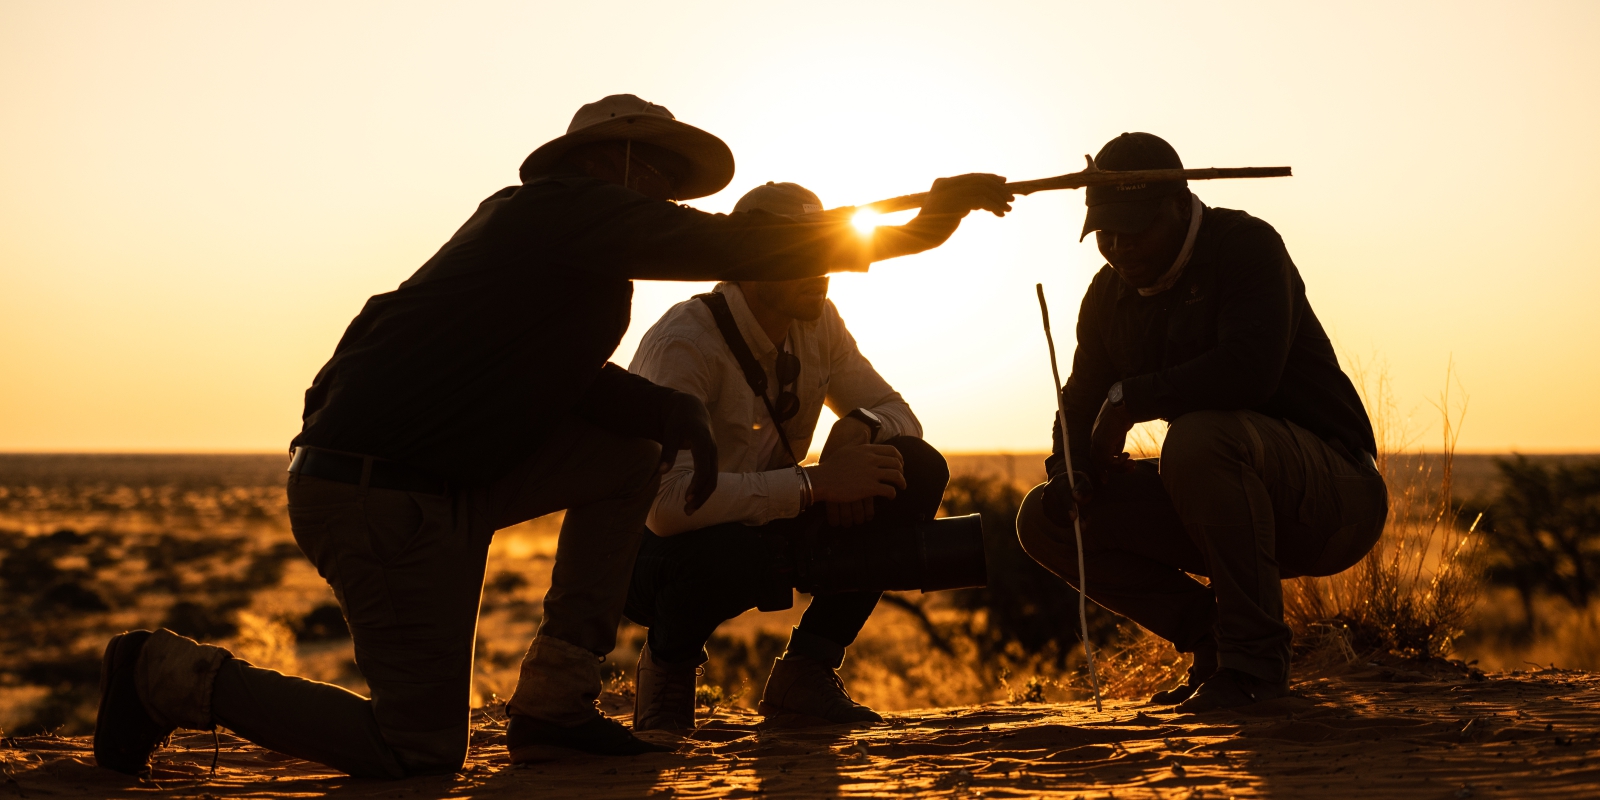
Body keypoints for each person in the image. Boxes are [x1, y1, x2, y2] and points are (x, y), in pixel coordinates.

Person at [93, 94, 1014, 778]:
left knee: (627, 455)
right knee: (416, 750)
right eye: (655, 175)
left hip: (450, 485)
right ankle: (165, 674)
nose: (662, 198)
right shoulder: (553, 215)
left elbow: (554, 381)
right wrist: (918, 229)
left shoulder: (568, 262)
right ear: (609, 161)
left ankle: (554, 699)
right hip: (381, 494)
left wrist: (665, 415)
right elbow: (734, 249)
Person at [1015, 132, 1387, 712]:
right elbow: (1081, 397)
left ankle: (1254, 667)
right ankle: (1212, 643)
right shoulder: (1108, 295)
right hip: (1220, 496)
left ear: (1177, 204)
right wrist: (1072, 467)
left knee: (1198, 438)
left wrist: (1128, 401)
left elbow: (1248, 374)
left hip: (1332, 499)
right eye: (1104, 234)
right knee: (1045, 518)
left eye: (1133, 229)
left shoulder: (1246, 247)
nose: (1118, 246)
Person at [622, 182, 950, 731]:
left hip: (763, 522)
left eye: (823, 249)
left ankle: (807, 671)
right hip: (651, 553)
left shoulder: (818, 320)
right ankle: (668, 670)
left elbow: (897, 412)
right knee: (726, 552)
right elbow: (667, 508)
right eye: (797, 253)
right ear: (745, 263)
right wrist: (816, 486)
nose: (819, 266)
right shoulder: (686, 342)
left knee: (913, 467)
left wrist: (858, 428)